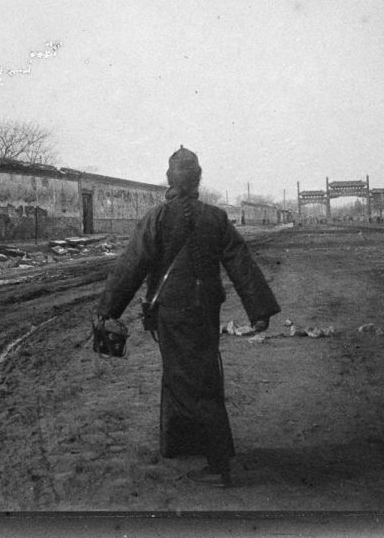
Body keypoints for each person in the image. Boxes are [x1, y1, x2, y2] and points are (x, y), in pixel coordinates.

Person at [94, 146, 279, 487]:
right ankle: (179, 444)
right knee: (196, 374)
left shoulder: (158, 217)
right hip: (206, 309)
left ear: (169, 180)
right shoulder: (216, 218)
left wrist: (108, 310)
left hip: (173, 313)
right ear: (198, 179)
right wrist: (260, 311)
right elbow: (241, 263)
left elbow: (131, 267)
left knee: (189, 383)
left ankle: (219, 463)